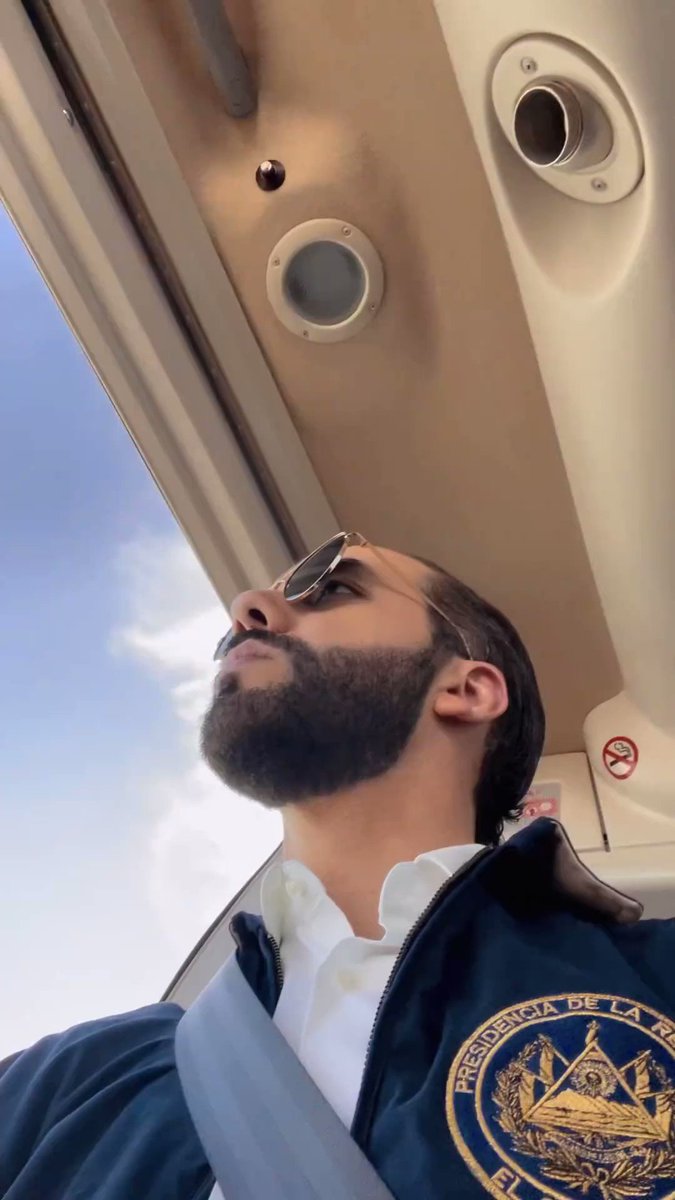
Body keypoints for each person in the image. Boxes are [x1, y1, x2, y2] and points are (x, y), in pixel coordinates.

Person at [2, 531, 675, 1200]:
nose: (246, 609)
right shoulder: (69, 1080)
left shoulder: (656, 976)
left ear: (467, 690)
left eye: (331, 588)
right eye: (234, 626)